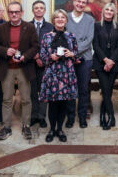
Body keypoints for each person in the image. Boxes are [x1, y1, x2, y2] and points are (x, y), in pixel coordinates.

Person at [0, 1, 39, 140]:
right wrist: (6, 50)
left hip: (24, 68)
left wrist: (25, 56)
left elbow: (35, 46)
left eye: (17, 12)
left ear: (22, 13)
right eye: (11, 12)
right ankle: (6, 127)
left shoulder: (30, 27)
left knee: (26, 99)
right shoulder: (1, 28)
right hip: (7, 68)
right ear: (8, 13)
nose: (14, 14)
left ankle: (26, 125)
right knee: (6, 99)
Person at [39, 9, 78, 142]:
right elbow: (43, 57)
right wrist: (51, 57)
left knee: (63, 104)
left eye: (63, 17)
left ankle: (60, 129)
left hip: (67, 74)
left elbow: (77, 56)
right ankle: (51, 129)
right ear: (53, 20)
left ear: (66, 20)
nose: (60, 20)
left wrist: (72, 54)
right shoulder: (46, 36)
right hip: (52, 74)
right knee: (53, 104)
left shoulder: (71, 36)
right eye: (57, 18)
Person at [66, 0, 94, 129]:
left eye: (83, 2)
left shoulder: (90, 20)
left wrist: (74, 51)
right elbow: (63, 37)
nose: (80, 4)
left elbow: (89, 40)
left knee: (83, 90)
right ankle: (70, 117)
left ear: (86, 4)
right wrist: (70, 53)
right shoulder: (65, 17)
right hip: (68, 60)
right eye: (78, 1)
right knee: (70, 90)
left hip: (85, 59)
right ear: (74, 2)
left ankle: (82, 117)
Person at [93, 3, 118, 130]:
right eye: (107, 10)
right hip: (100, 62)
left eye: (111, 10)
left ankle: (102, 115)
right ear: (103, 11)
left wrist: (111, 61)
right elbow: (95, 45)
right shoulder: (96, 25)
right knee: (105, 89)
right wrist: (105, 60)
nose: (109, 12)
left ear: (114, 13)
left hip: (114, 63)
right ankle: (111, 116)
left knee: (108, 90)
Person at [29, 0, 53, 128]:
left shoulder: (50, 27)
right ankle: (33, 116)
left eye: (41, 8)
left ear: (44, 10)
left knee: (44, 92)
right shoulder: (26, 26)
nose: (39, 10)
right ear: (33, 10)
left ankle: (42, 117)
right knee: (32, 92)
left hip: (46, 65)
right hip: (30, 65)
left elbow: (52, 46)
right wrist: (34, 56)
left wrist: (42, 59)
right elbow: (24, 45)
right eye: (36, 8)